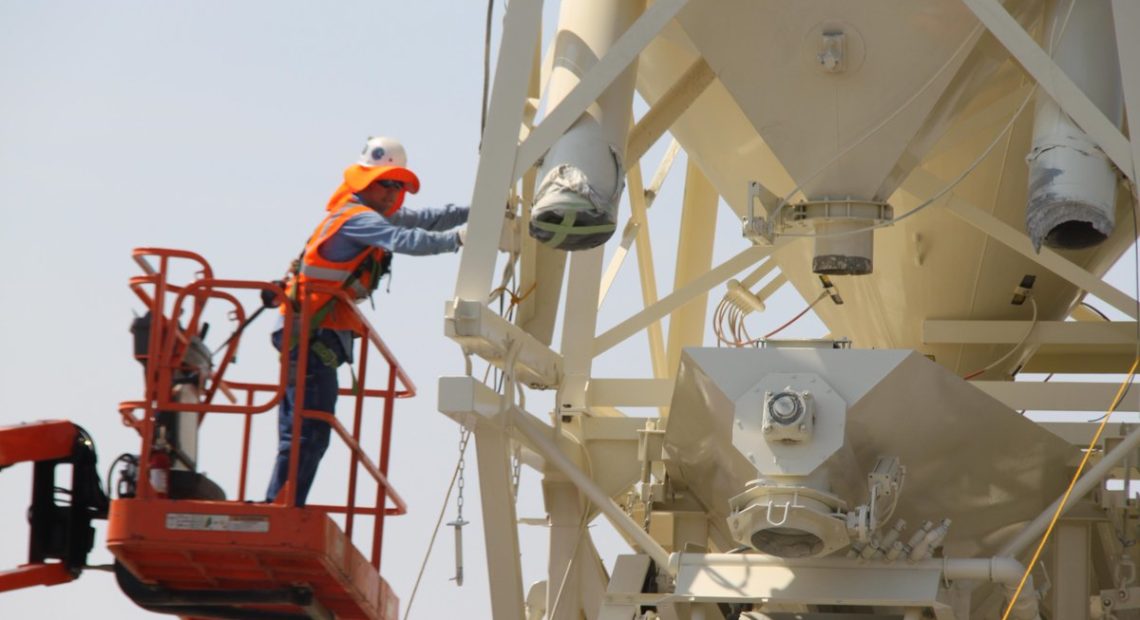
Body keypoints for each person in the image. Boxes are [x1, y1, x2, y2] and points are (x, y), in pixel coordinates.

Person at [267, 136, 470, 505]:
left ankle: (281, 505)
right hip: (310, 336)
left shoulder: (369, 214)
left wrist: (479, 210)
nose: (394, 193)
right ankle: (279, 508)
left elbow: (427, 218)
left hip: (316, 336)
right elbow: (404, 238)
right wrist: (456, 239)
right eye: (385, 183)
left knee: (310, 428)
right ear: (365, 183)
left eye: (399, 185)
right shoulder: (356, 219)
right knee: (306, 430)